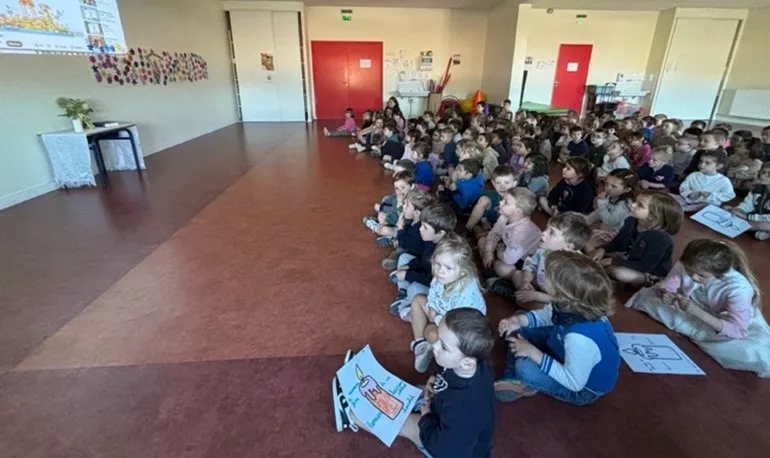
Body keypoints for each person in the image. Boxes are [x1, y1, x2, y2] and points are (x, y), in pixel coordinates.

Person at [332, 308, 496, 457]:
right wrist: (435, 378)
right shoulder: (474, 364)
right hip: (446, 411)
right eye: (438, 337)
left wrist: (426, 418)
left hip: (448, 446)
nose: (435, 345)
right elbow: (446, 370)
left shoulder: (464, 407)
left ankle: (350, 415)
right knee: (404, 394)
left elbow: (446, 450)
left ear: (467, 363)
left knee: (400, 420)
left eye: (444, 347)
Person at [625, 239, 770, 377]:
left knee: (752, 351)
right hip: (692, 304)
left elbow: (737, 330)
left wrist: (697, 312)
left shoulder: (738, 289)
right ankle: (693, 328)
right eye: (689, 271)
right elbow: (668, 285)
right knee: (650, 299)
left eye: (701, 275)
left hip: (725, 319)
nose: (693, 277)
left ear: (720, 274)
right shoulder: (688, 263)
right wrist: (665, 293)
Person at [495, 250, 620, 403]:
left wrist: (534, 353)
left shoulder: (579, 338)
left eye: (547, 274)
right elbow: (546, 316)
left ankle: (519, 378)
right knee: (519, 321)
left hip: (582, 390)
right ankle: (518, 374)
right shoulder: (571, 305)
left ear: (563, 293)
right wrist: (518, 321)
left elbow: (574, 383)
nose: (543, 273)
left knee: (525, 368)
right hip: (563, 350)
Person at [407, 235, 487, 373]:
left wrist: (436, 318)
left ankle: (427, 339)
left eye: (448, 267)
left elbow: (456, 326)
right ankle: (420, 344)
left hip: (458, 330)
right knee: (417, 300)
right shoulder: (444, 275)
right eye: (437, 264)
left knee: (431, 332)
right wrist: (432, 306)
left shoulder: (466, 296)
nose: (440, 270)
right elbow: (433, 290)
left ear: (462, 271)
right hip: (443, 313)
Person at [487, 212, 591, 308]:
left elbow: (565, 300)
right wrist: (525, 281)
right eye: (546, 228)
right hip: (538, 283)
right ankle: (518, 294)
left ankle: (508, 292)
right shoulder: (544, 249)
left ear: (569, 246)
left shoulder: (573, 270)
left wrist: (536, 296)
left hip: (552, 300)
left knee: (538, 307)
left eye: (552, 233)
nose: (543, 233)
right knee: (511, 272)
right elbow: (530, 265)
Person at [593, 191, 683, 288]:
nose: (632, 204)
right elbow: (618, 242)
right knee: (589, 240)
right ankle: (605, 272)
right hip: (627, 256)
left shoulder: (661, 238)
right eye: (635, 201)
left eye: (640, 205)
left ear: (653, 216)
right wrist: (603, 249)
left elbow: (644, 266)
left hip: (647, 272)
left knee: (618, 272)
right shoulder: (631, 221)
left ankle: (613, 280)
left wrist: (612, 261)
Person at [389, 204, 457, 317]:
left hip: (435, 286)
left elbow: (433, 281)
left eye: (425, 227)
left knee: (415, 288)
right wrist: (409, 266)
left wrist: (408, 275)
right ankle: (403, 291)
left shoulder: (444, 255)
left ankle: (410, 304)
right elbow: (423, 260)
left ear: (440, 233)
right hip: (425, 272)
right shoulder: (431, 240)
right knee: (404, 257)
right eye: (421, 225)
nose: (420, 229)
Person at [481, 188, 541, 280]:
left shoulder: (522, 232)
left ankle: (493, 271)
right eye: (503, 200)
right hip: (508, 249)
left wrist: (498, 252)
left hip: (524, 262)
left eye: (506, 202)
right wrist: (489, 251)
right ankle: (490, 267)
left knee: (501, 267)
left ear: (518, 212)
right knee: (484, 242)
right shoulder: (504, 217)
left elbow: (509, 260)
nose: (500, 203)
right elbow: (494, 233)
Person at [584, 169, 638, 255]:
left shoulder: (626, 204)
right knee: (579, 231)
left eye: (613, 186)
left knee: (584, 239)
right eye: (606, 184)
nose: (607, 188)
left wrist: (602, 203)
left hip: (614, 235)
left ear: (627, 189)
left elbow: (610, 221)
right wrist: (585, 221)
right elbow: (598, 213)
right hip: (604, 229)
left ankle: (593, 259)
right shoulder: (613, 196)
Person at [382, 189, 434, 270]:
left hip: (415, 254)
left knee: (400, 250)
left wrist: (400, 229)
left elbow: (405, 243)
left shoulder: (419, 229)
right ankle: (392, 243)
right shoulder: (415, 221)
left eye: (407, 205)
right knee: (399, 246)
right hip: (409, 244)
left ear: (417, 213)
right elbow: (407, 232)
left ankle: (396, 261)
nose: (403, 206)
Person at [465, 165, 517, 237]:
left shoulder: (518, 198)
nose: (502, 187)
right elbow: (479, 207)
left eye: (507, 183)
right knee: (483, 200)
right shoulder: (490, 194)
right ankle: (467, 228)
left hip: (507, 228)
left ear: (514, 183)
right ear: (493, 183)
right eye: (498, 183)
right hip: (490, 221)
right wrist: (484, 220)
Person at [363, 170, 415, 238]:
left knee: (385, 230)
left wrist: (383, 211)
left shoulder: (411, 202)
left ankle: (377, 228)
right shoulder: (398, 196)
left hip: (402, 229)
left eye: (403, 187)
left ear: (412, 186)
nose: (400, 191)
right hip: (392, 221)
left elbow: (401, 218)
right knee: (383, 208)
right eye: (397, 188)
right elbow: (389, 200)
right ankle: (386, 233)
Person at [729, 161, 770, 241]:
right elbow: (747, 204)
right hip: (756, 217)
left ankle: (747, 227)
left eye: (769, 174)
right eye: (763, 172)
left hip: (764, 220)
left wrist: (747, 216)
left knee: (764, 225)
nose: (763, 175)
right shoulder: (757, 189)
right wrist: (739, 210)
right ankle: (754, 230)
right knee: (728, 209)